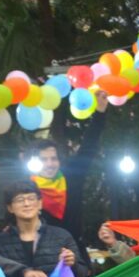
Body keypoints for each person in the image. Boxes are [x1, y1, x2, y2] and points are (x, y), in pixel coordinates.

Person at [0, 181, 89, 277]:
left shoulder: (62, 236)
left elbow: (82, 275)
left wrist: (73, 263)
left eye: (31, 198)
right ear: (10, 208)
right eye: (19, 200)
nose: (27, 204)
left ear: (40, 203)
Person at [23, 91, 108, 242]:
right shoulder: (26, 188)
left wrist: (100, 112)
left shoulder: (72, 177)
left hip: (75, 248)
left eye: (53, 159)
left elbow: (88, 146)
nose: (49, 164)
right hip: (44, 254)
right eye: (43, 160)